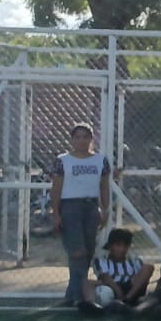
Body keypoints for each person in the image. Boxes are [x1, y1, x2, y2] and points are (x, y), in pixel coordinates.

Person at [52, 123, 111, 311]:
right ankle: (79, 296)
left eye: (86, 137)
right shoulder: (63, 161)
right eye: (77, 137)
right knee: (77, 251)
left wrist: (105, 209)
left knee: (88, 251)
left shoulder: (100, 160)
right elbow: (56, 187)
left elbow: (104, 186)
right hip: (70, 207)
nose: (82, 141)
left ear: (91, 139)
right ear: (72, 140)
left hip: (91, 207)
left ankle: (74, 294)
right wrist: (56, 213)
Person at [91, 228, 153, 314]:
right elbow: (105, 277)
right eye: (118, 245)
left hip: (131, 289)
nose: (122, 249)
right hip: (112, 287)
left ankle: (127, 300)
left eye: (125, 246)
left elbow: (141, 278)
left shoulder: (135, 261)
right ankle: (92, 305)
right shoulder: (101, 261)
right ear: (110, 246)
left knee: (148, 267)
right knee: (87, 282)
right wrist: (118, 291)